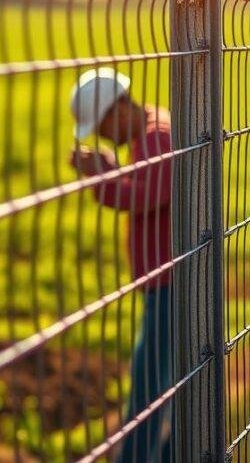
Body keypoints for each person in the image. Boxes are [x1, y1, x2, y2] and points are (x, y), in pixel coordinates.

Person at [69, 67, 173, 463]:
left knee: (148, 392)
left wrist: (100, 178)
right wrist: (110, 170)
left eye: (101, 126)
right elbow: (144, 185)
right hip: (167, 278)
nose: (102, 136)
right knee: (170, 384)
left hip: (169, 282)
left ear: (117, 111)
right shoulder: (151, 133)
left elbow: (148, 194)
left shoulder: (156, 136)